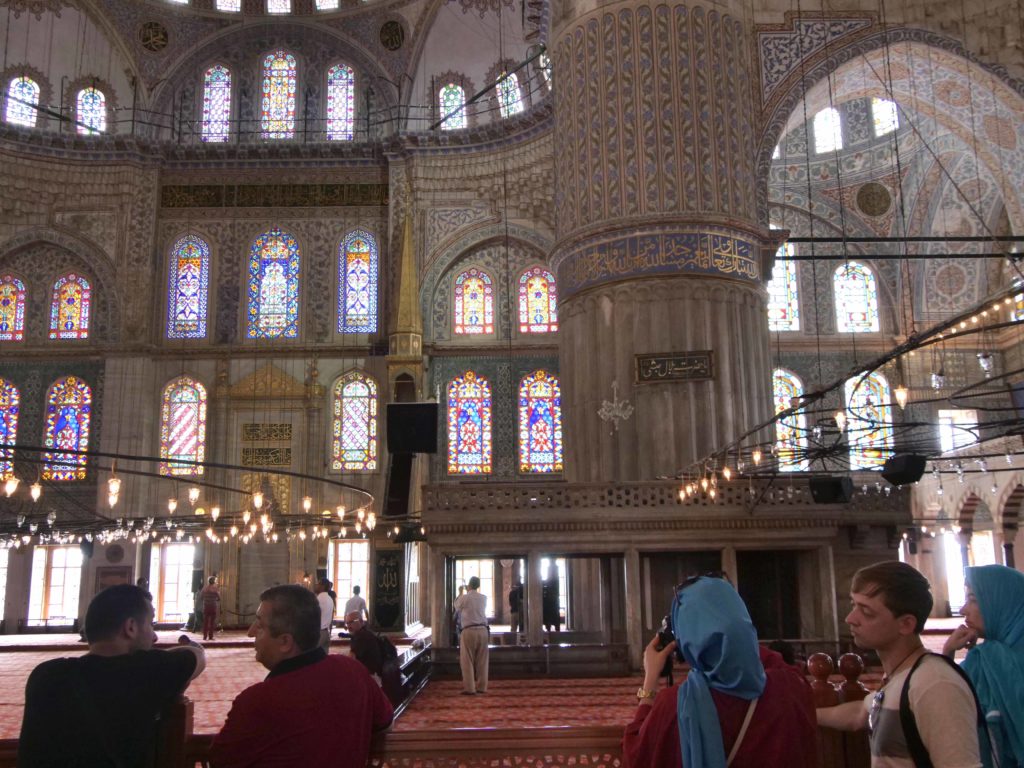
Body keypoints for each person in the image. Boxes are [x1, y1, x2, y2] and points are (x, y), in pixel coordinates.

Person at [622, 574, 817, 767]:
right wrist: (736, 638)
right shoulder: (790, 688)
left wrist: (650, 681)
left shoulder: (675, 706)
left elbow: (635, 757)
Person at [18, 584, 206, 768]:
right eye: (151, 624)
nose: (155, 637)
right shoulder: (148, 671)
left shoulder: (45, 675)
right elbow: (197, 655)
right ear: (130, 627)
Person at [817, 560, 982, 768]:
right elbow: (860, 713)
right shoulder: (900, 675)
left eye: (866, 611)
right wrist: (801, 714)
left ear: (906, 624)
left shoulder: (935, 683)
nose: (850, 618)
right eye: (853, 605)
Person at [210, 584, 393, 767]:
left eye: (260, 626)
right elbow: (385, 722)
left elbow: (220, 762)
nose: (251, 633)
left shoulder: (257, 701)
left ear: (285, 642)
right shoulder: (354, 671)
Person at [942, 564, 1024, 767]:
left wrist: (947, 654)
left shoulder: (983, 662)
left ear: (1003, 603)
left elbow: (945, 709)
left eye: (973, 600)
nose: (963, 610)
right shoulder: (983, 661)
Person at [346, 610, 405, 706]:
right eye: (347, 623)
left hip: (371, 677)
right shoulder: (366, 632)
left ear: (361, 621)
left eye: (351, 622)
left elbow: (350, 660)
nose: (348, 626)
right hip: (376, 675)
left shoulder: (361, 636)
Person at [453, 575, 489, 695]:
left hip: (468, 630)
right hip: (483, 630)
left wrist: (460, 592)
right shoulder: (484, 598)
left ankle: (470, 688)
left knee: (467, 659)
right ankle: (482, 687)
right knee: (482, 660)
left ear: (469, 585)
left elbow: (456, 606)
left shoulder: (464, 598)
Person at [314, 577, 335, 653]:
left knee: (312, 656)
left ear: (322, 586)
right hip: (326, 632)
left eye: (318, 584)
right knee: (324, 657)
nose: (316, 585)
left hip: (319, 633)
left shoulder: (319, 599)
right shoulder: (330, 599)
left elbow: (313, 615)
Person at [200, 575, 221, 641]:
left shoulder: (204, 588)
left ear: (208, 581)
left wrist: (206, 600)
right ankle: (210, 636)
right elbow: (219, 598)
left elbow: (201, 597)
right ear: (214, 581)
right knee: (212, 622)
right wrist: (214, 599)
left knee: (205, 622)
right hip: (213, 606)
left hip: (206, 606)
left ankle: (204, 636)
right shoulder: (215, 589)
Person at [542, 563, 561, 632]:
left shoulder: (554, 582)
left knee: (554, 619)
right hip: (549, 605)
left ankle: (552, 627)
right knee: (550, 620)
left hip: (553, 604)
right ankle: (549, 627)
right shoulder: (548, 583)